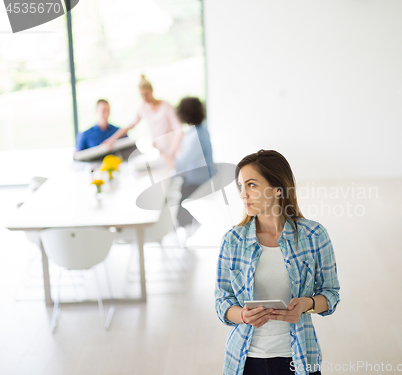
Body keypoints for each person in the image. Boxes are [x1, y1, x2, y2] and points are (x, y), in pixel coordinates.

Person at [214, 150, 340, 375]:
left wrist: (307, 305)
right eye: (241, 186)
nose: (244, 194)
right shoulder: (232, 240)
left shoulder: (314, 235)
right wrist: (243, 316)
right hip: (245, 360)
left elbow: (330, 294)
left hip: (299, 358)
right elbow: (222, 302)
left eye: (252, 185)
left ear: (277, 188)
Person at [103, 74, 183, 163]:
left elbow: (179, 129)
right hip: (162, 150)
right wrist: (112, 139)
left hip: (175, 148)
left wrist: (173, 150)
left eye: (146, 94)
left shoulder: (166, 106)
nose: (144, 98)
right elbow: (130, 125)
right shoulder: (143, 109)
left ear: (151, 91)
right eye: (141, 95)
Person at [173, 97, 213, 229]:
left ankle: (182, 226)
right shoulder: (201, 130)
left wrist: (161, 151)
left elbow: (179, 165)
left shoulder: (194, 137)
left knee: (174, 189)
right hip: (206, 178)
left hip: (199, 182)